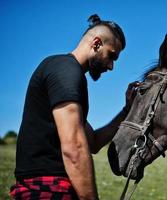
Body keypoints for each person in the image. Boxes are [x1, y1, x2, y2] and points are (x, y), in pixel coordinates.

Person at [10, 14, 139, 200]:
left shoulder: (63, 71)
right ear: (96, 43)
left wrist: (127, 111)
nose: (111, 66)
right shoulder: (67, 71)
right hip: (49, 189)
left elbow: (92, 142)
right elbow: (74, 148)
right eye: (111, 56)